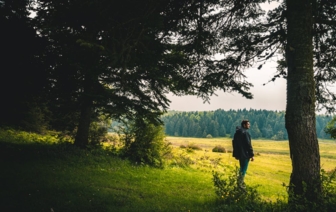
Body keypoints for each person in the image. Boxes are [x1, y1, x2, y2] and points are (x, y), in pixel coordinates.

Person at [232, 119, 254, 189]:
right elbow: (248, 145)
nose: (249, 125)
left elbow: (234, 143)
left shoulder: (237, 133)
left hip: (240, 155)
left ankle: (239, 183)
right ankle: (240, 185)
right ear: (244, 125)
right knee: (243, 170)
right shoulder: (245, 133)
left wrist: (236, 154)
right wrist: (252, 155)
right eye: (248, 124)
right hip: (245, 155)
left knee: (241, 168)